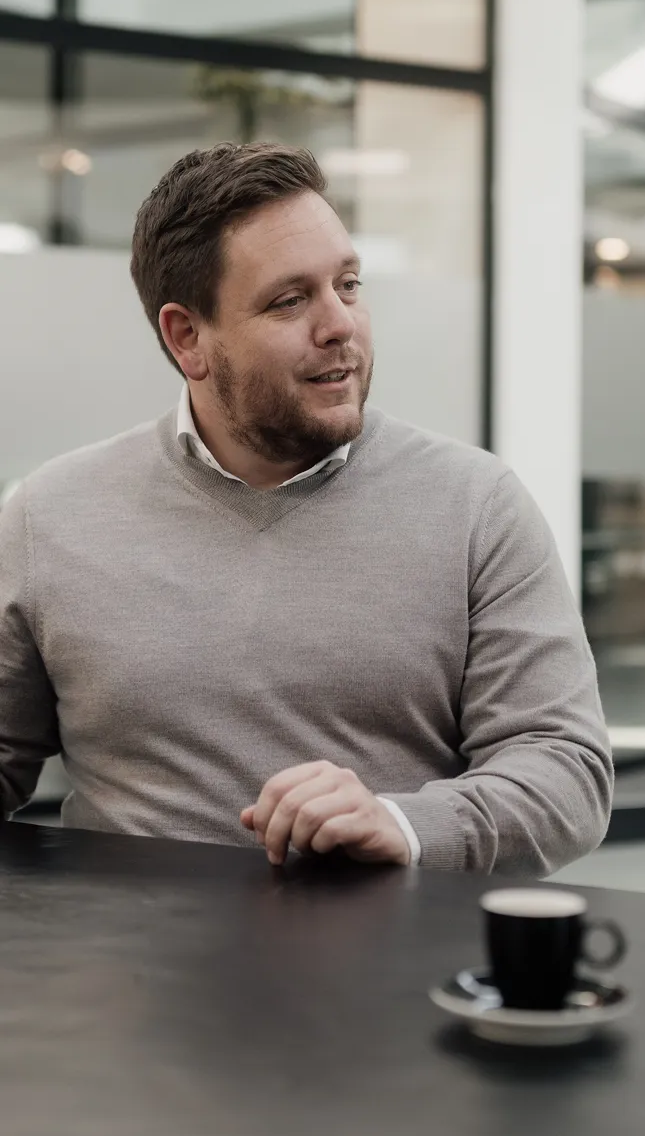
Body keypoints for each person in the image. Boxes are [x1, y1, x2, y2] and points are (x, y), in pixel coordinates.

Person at [0, 143, 612, 874]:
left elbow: (566, 772)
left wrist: (405, 825)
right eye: (290, 301)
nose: (340, 326)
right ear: (187, 337)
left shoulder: (477, 506)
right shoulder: (50, 515)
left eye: (348, 285)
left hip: (389, 973)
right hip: (127, 973)